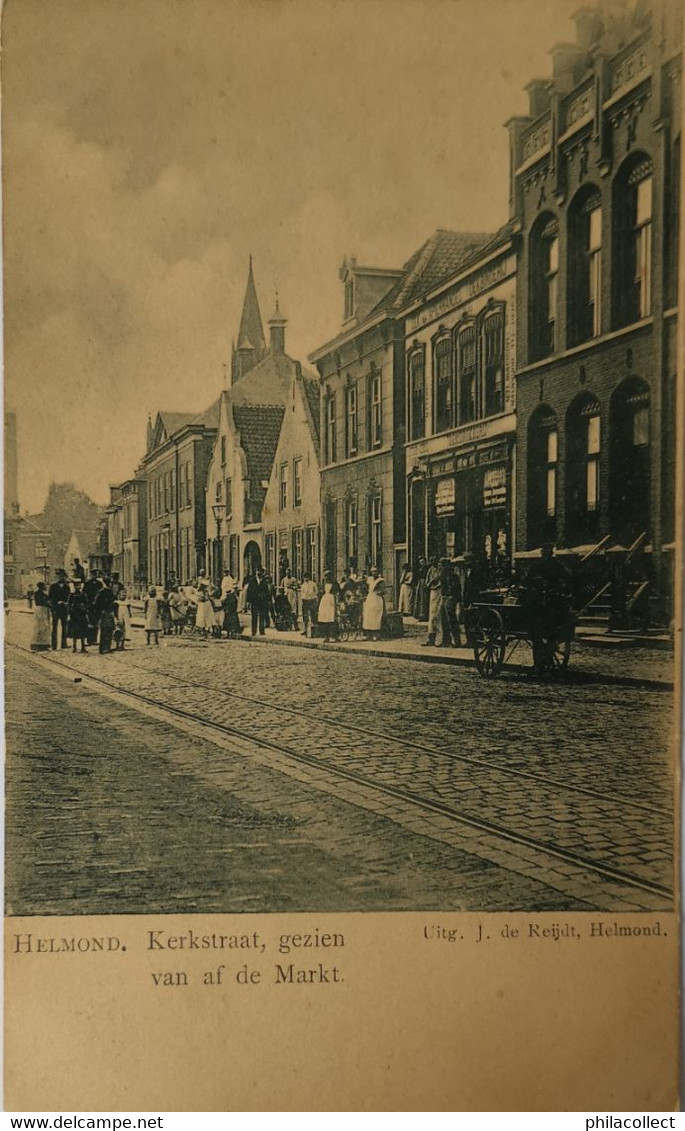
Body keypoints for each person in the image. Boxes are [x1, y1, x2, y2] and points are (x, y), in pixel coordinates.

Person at [440, 561, 462, 647]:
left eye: (443, 565)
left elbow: (455, 588)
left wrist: (453, 598)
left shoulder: (453, 576)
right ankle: (446, 640)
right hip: (445, 597)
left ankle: (457, 641)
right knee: (444, 620)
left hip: (451, 597)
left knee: (452, 620)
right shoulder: (443, 575)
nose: (442, 567)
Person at [48, 569, 70, 650]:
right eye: (59, 575)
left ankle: (64, 644)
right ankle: (54, 645)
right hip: (56, 609)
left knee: (65, 627)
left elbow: (69, 597)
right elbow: (50, 598)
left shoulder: (67, 587)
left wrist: (65, 603)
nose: (61, 577)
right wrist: (56, 603)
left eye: (62, 576)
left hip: (64, 609)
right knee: (54, 627)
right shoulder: (53, 586)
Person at [422, 557, 442, 646]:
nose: (432, 562)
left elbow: (439, 579)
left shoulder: (440, 569)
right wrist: (429, 583)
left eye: (434, 560)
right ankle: (431, 638)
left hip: (439, 591)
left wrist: (433, 581)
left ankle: (439, 639)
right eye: (431, 561)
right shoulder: (430, 569)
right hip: (432, 592)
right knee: (432, 615)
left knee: (437, 615)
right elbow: (428, 580)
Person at [93, 578, 117, 654]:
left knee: (109, 630)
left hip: (108, 613)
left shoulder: (104, 592)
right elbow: (97, 604)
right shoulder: (104, 592)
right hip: (106, 613)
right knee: (106, 630)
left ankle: (106, 647)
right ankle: (104, 647)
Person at [362, 566, 385, 641]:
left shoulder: (380, 580)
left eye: (375, 571)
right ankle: (369, 634)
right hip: (370, 599)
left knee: (376, 616)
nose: (374, 573)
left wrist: (378, 592)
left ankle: (376, 634)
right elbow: (365, 587)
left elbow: (382, 591)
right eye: (372, 571)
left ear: (378, 572)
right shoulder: (369, 579)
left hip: (377, 599)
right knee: (368, 616)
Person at [66, 578, 89, 653]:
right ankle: (74, 647)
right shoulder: (71, 595)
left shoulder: (83, 594)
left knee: (83, 631)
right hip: (74, 615)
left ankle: (83, 647)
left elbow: (87, 604)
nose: (77, 587)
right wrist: (69, 613)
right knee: (74, 632)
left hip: (82, 615)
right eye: (76, 585)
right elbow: (69, 605)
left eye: (78, 585)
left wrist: (84, 608)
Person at [246, 570, 270, 637]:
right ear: (256, 572)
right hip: (254, 601)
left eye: (261, 573)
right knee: (254, 617)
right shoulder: (252, 581)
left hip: (262, 602)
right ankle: (254, 632)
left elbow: (267, 591)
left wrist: (267, 600)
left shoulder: (264, 581)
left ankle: (262, 631)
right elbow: (249, 592)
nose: (259, 574)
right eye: (258, 572)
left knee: (262, 616)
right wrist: (248, 602)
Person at [317, 572, 339, 642]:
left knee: (332, 619)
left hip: (331, 601)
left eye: (326, 576)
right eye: (325, 576)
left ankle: (335, 636)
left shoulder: (335, 584)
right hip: (325, 602)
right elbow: (322, 592)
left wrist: (336, 603)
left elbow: (337, 593)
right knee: (325, 619)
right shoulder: (324, 584)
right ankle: (327, 636)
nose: (325, 578)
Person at [30, 582, 52, 651]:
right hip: (41, 610)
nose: (45, 586)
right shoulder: (38, 593)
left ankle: (44, 644)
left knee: (44, 626)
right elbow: (40, 602)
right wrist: (48, 603)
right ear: (41, 587)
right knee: (41, 626)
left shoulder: (43, 593)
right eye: (44, 585)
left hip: (44, 610)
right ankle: (38, 644)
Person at [84, 570, 102, 647]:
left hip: (97, 606)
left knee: (96, 622)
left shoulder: (99, 584)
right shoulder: (87, 584)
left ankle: (94, 639)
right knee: (89, 622)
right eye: (92, 575)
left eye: (95, 575)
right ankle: (89, 639)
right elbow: (84, 594)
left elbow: (101, 594)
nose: (94, 576)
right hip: (89, 606)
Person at [412, 556, 429, 621]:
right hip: (420, 584)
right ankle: (419, 615)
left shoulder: (427, 569)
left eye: (423, 562)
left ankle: (424, 615)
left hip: (424, 583)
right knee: (419, 599)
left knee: (424, 599)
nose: (422, 563)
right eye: (421, 562)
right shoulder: (419, 569)